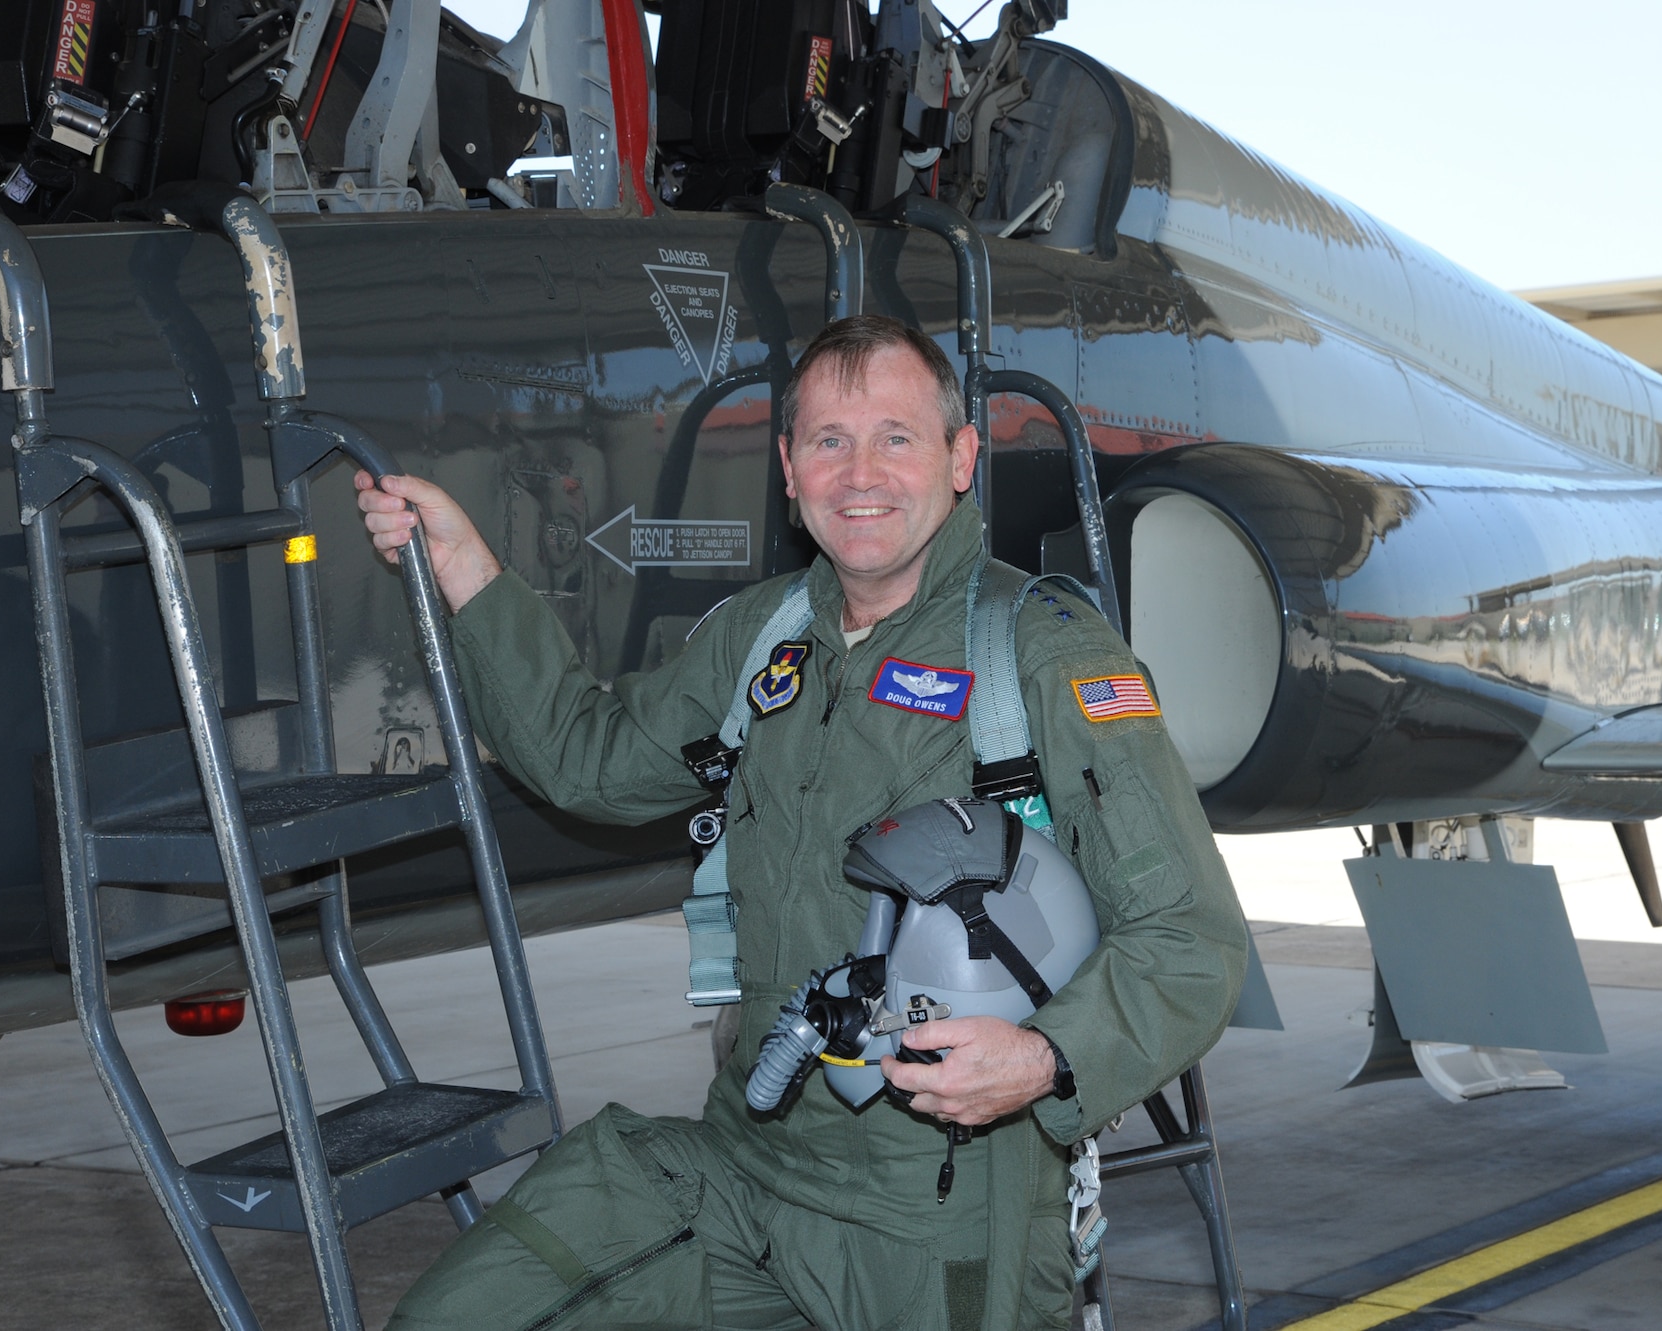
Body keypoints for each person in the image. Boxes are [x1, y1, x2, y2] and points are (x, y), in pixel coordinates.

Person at [358, 315, 1246, 1331]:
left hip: (940, 1204)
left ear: (960, 459)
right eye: (828, 440)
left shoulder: (1041, 654)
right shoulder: (761, 638)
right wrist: (467, 568)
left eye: (895, 437)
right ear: (787, 467)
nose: (858, 473)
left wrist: (1044, 1058)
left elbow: (1191, 940)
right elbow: (589, 760)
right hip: (748, 1159)